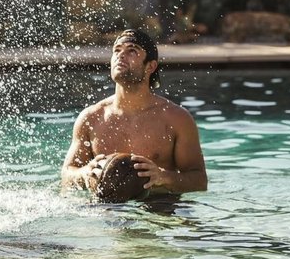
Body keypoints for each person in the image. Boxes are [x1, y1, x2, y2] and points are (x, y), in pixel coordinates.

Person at [61, 29, 207, 195]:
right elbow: (67, 175)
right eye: (117, 50)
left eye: (132, 50)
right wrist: (84, 173)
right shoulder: (91, 117)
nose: (121, 55)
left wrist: (163, 177)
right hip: (104, 208)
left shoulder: (176, 119)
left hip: (160, 206)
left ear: (150, 66)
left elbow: (199, 180)